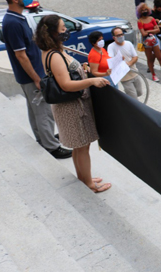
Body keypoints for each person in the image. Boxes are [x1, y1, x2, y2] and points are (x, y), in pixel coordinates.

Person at [35, 15, 112, 192]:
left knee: (79, 147)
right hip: (72, 108)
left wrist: (81, 70)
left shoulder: (53, 50)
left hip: (72, 106)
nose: (65, 31)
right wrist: (91, 81)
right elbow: (66, 85)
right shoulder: (54, 55)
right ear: (52, 33)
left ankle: (84, 178)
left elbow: (67, 75)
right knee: (83, 146)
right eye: (62, 29)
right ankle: (90, 185)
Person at [1, 0, 71, 159]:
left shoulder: (17, 18)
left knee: (35, 109)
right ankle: (52, 147)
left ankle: (43, 138)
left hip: (30, 74)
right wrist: (37, 78)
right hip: (31, 76)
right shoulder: (12, 22)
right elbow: (21, 56)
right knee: (43, 110)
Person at [107, 27, 143, 100]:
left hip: (134, 73)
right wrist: (119, 60)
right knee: (134, 98)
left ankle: (128, 96)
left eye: (121, 34)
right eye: (118, 35)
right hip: (125, 78)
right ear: (114, 37)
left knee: (139, 92)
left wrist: (129, 64)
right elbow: (111, 60)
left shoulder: (128, 43)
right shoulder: (111, 47)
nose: (120, 36)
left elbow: (135, 57)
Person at [137, 3, 161, 82]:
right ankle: (153, 75)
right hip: (147, 42)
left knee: (160, 57)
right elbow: (143, 33)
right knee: (150, 59)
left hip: (154, 40)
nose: (144, 11)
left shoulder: (151, 18)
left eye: (145, 9)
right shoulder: (140, 21)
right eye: (143, 10)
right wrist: (152, 31)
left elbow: (157, 30)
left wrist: (148, 31)